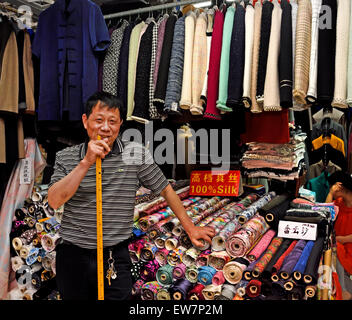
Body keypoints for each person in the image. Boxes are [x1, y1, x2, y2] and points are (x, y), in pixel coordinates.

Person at [47, 91, 215, 300]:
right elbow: (54, 200)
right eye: (98, 120)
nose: (105, 127)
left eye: (112, 121)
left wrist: (191, 228)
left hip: (114, 257)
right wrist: (86, 163)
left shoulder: (135, 154)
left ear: (121, 124)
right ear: (85, 121)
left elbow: (165, 189)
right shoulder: (67, 157)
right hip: (73, 256)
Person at [326, 171, 352, 300]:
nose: (331, 192)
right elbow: (325, 213)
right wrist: (331, 194)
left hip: (348, 247)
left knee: (334, 250)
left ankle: (344, 290)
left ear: (339, 187)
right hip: (339, 246)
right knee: (331, 250)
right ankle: (344, 290)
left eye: (332, 189)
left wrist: (342, 239)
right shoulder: (340, 202)